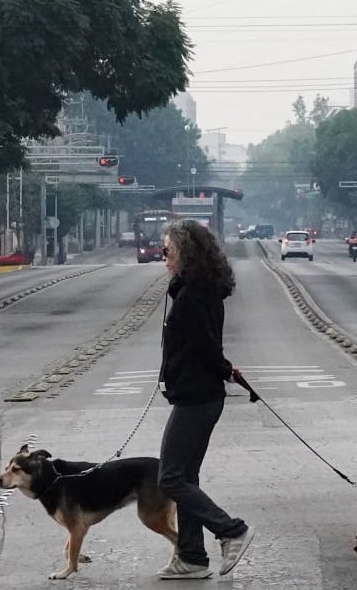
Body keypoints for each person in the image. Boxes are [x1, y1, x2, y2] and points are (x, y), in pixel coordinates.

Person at [156, 219, 255, 579]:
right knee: (186, 477)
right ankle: (193, 558)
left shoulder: (193, 297)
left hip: (196, 396)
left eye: (166, 250)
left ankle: (232, 531)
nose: (162, 257)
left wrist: (225, 368)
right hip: (200, 393)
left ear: (184, 252)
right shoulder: (199, 290)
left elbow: (206, 347)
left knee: (169, 478)